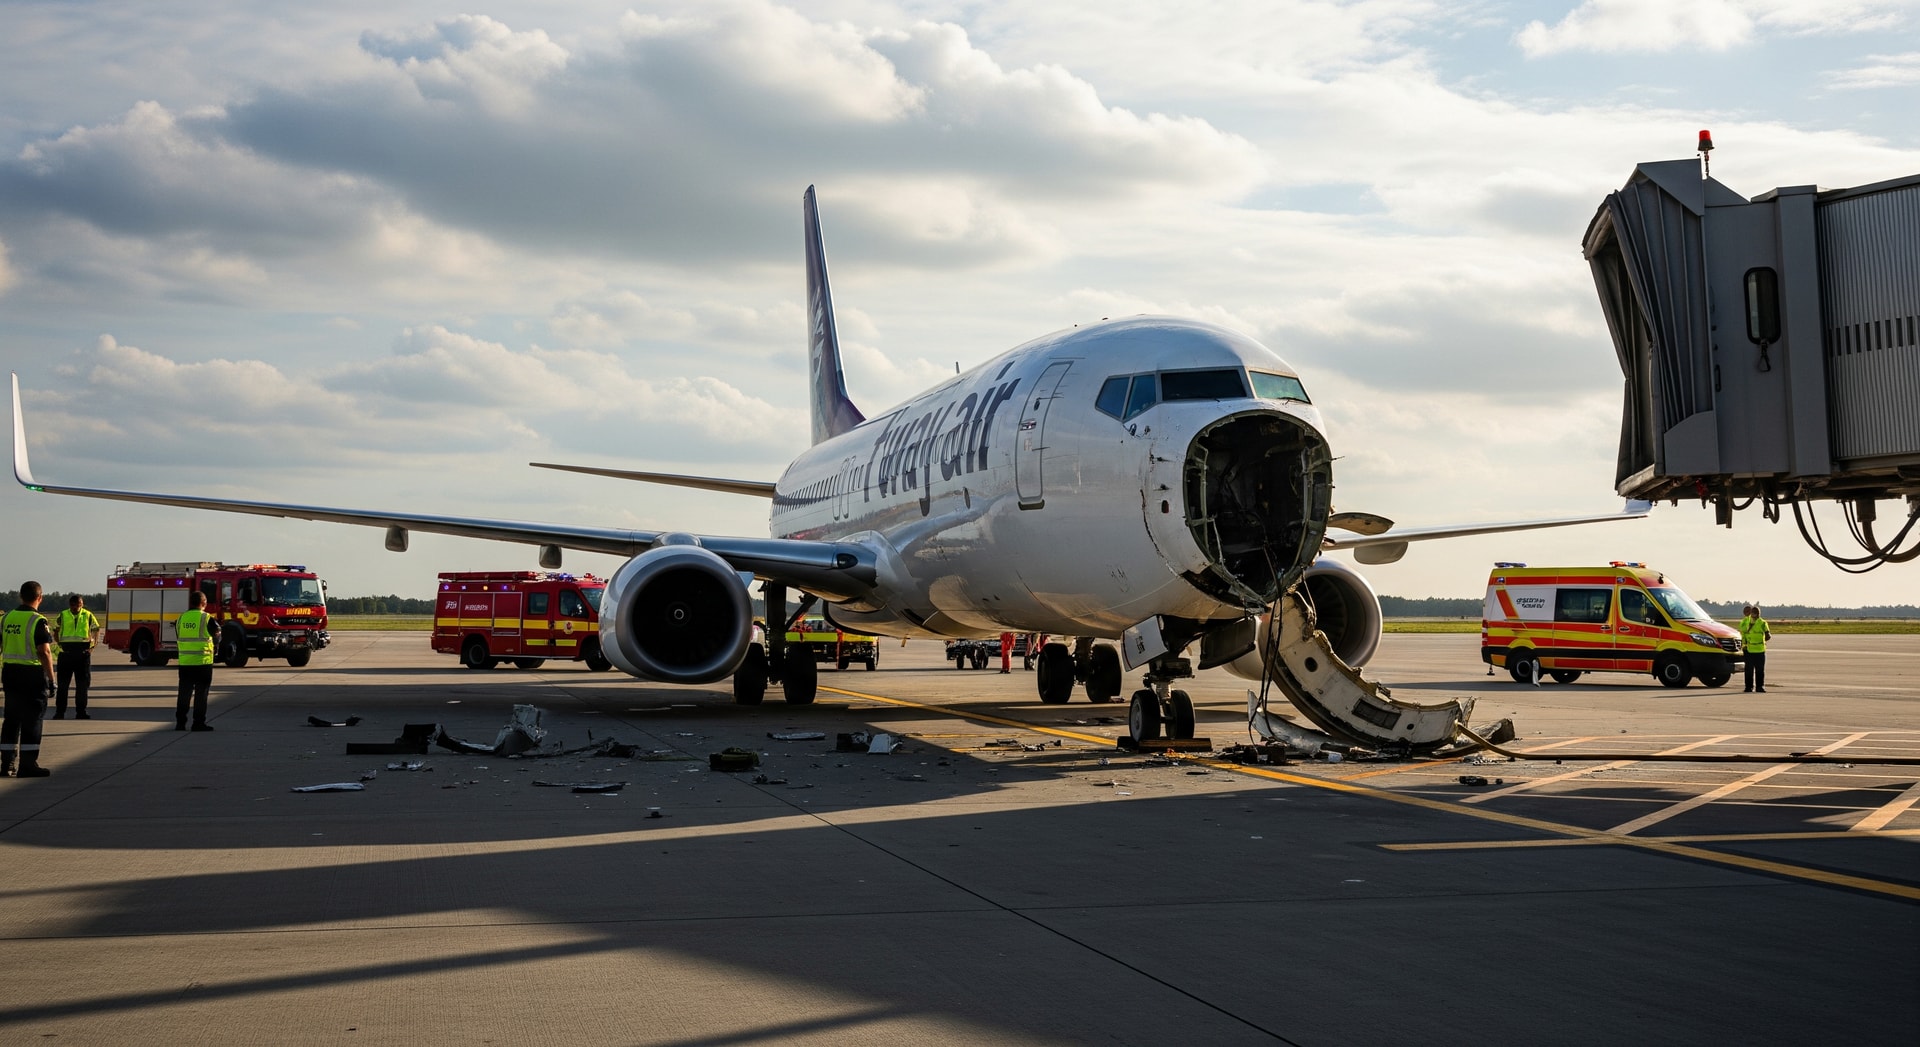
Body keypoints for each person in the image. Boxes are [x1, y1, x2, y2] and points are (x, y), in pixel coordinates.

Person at [1, 580, 58, 777]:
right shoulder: (38, 620)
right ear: (39, 598)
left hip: (10, 673)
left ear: (20, 596)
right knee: (32, 720)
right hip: (31, 676)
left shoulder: (6, 618)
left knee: (11, 719)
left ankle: (6, 763)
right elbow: (44, 652)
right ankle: (27, 764)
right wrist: (51, 679)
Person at [175, 590, 219, 731]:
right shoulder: (206, 618)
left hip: (185, 663)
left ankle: (180, 723)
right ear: (203, 603)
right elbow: (217, 636)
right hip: (203, 662)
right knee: (201, 695)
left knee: (184, 694)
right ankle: (198, 723)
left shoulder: (181, 618)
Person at [54, 594, 102, 719]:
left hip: (82, 653)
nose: (76, 607)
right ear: (70, 605)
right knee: (63, 686)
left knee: (82, 686)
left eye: (79, 604)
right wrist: (59, 644)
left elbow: (96, 629)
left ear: (82, 604)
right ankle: (60, 712)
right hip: (66, 653)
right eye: (73, 605)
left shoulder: (88, 615)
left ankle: (81, 712)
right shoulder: (62, 615)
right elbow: (55, 630)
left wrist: (92, 646)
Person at [1739, 604, 1771, 693]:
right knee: (1749, 670)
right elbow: (1742, 633)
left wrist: (1766, 636)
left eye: (1756, 613)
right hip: (1749, 649)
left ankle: (1760, 687)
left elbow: (1768, 634)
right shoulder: (1745, 622)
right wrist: (1744, 646)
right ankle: (1748, 687)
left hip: (1760, 649)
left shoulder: (1763, 623)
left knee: (1760, 670)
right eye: (1753, 612)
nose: (1755, 614)